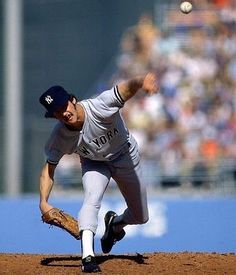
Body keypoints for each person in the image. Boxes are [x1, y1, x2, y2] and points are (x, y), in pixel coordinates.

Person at [39, 73, 158, 273]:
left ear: (72, 100)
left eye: (63, 106)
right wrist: (43, 201)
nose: (63, 113)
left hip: (124, 155)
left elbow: (124, 90)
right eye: (56, 112)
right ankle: (88, 257)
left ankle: (115, 224)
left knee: (141, 216)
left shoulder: (99, 106)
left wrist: (140, 82)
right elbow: (48, 170)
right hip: (94, 163)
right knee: (91, 199)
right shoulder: (59, 137)